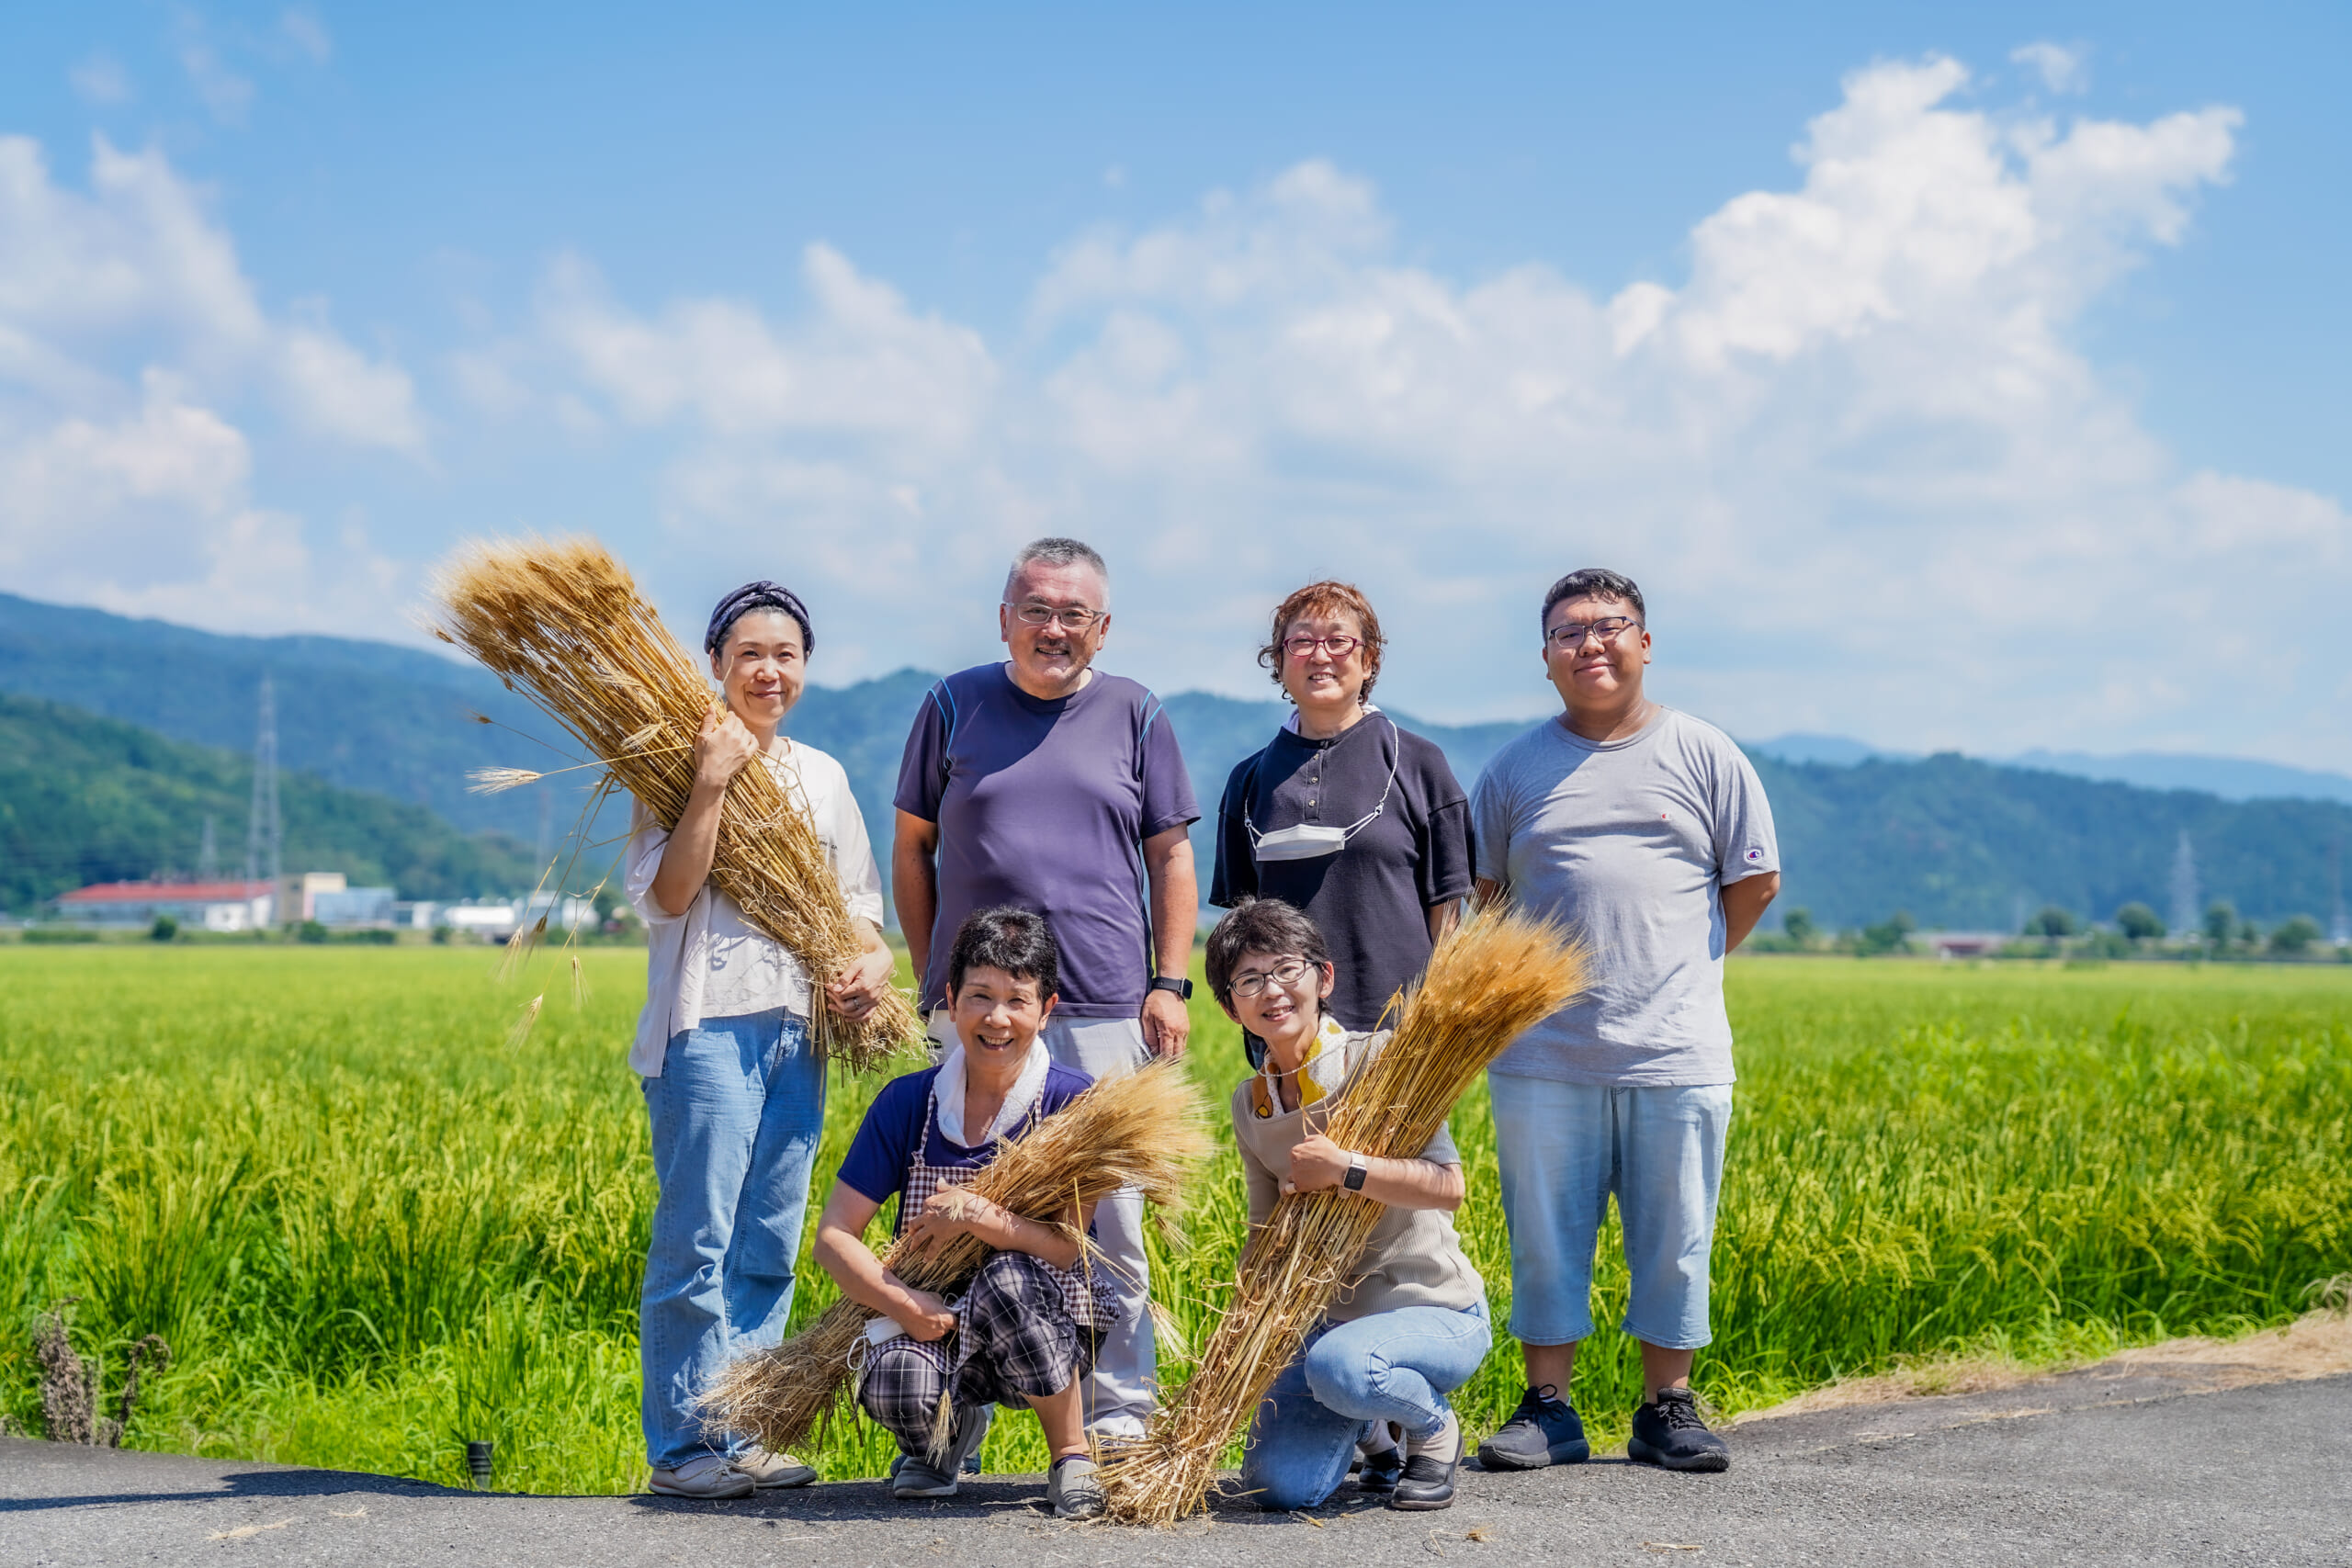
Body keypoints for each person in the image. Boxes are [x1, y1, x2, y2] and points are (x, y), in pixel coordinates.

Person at [1468, 568, 1780, 1475]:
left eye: (1610, 627)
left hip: (1675, 1050)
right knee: (1543, 1238)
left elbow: (1752, 883)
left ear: (1644, 642)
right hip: (1542, 1054)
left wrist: (1684, 967)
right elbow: (1485, 903)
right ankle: (1548, 1408)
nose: (1591, 644)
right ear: (1545, 657)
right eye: (1570, 632)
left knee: (1675, 1239)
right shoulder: (1514, 769)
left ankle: (1666, 1407)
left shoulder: (1704, 753)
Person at [891, 536, 1200, 1438]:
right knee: (958, 1211)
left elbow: (1171, 855)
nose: (1052, 628)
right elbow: (913, 848)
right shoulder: (952, 704)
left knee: (1113, 1218)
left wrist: (1168, 980)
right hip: (976, 1009)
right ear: (1003, 618)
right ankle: (950, 1427)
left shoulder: (1136, 713)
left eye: (1073, 614)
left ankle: (1119, 1422)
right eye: (1036, 609)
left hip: (1103, 999)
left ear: (1101, 629)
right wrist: (928, 976)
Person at [623, 581, 899, 1499]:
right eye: (750, 654)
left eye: (786, 655)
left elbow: (860, 909)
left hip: (800, 1032)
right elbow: (666, 897)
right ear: (715, 665)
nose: (768, 671)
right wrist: (709, 779)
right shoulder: (671, 761)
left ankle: (742, 1428)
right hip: (707, 1028)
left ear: (805, 669)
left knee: (766, 1243)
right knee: (695, 1242)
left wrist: (873, 968)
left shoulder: (822, 775)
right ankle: (680, 1451)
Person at [814, 908, 1113, 1520]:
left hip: (1047, 1315)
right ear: (950, 999)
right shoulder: (908, 1102)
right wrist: (900, 1303)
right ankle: (944, 1440)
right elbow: (833, 1236)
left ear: (1046, 1008)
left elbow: (1066, 1248)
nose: (996, 1019)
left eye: (1017, 1000)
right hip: (935, 1319)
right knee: (892, 1378)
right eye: (979, 996)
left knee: (1006, 1282)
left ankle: (1071, 1453)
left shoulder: (1073, 1102)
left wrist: (977, 1215)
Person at [1206, 897, 1490, 1513]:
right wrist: (1243, 1316)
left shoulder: (1380, 1060)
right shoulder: (1249, 1103)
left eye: (1287, 969)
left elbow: (1449, 1185)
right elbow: (1264, 1230)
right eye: (1250, 979)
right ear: (1231, 1005)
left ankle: (1433, 1431)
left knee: (1343, 1366)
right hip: (1331, 1325)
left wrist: (1346, 1169)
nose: (1272, 990)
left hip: (1433, 1310)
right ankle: (1375, 1431)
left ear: (1323, 977)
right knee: (1279, 1486)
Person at [1211, 581, 1473, 1034]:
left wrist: (1436, 1022)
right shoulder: (1248, 781)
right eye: (1302, 641)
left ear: (1368, 659)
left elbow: (1447, 914)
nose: (1320, 655)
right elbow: (1240, 928)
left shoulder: (1417, 764)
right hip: (1286, 1041)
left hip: (1400, 1039)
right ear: (1279, 660)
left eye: (1338, 640)